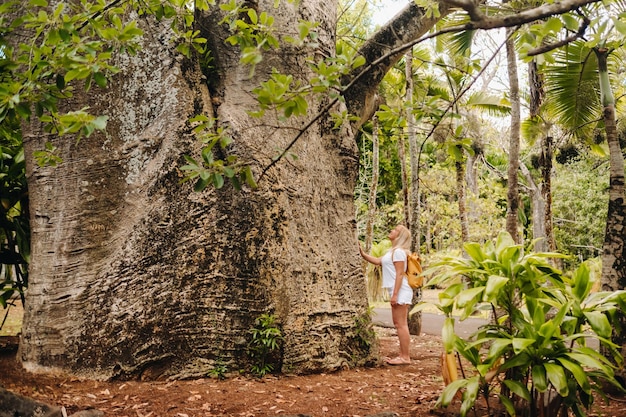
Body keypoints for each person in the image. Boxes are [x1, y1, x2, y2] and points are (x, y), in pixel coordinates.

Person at [359, 225, 413, 365]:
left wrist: (395, 295)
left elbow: (400, 274)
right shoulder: (392, 252)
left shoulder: (399, 252)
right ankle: (402, 355)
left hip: (401, 290)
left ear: (399, 236)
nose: (391, 230)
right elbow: (378, 261)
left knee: (400, 324)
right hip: (397, 290)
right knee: (399, 323)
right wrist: (362, 254)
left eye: (395, 230)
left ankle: (405, 357)